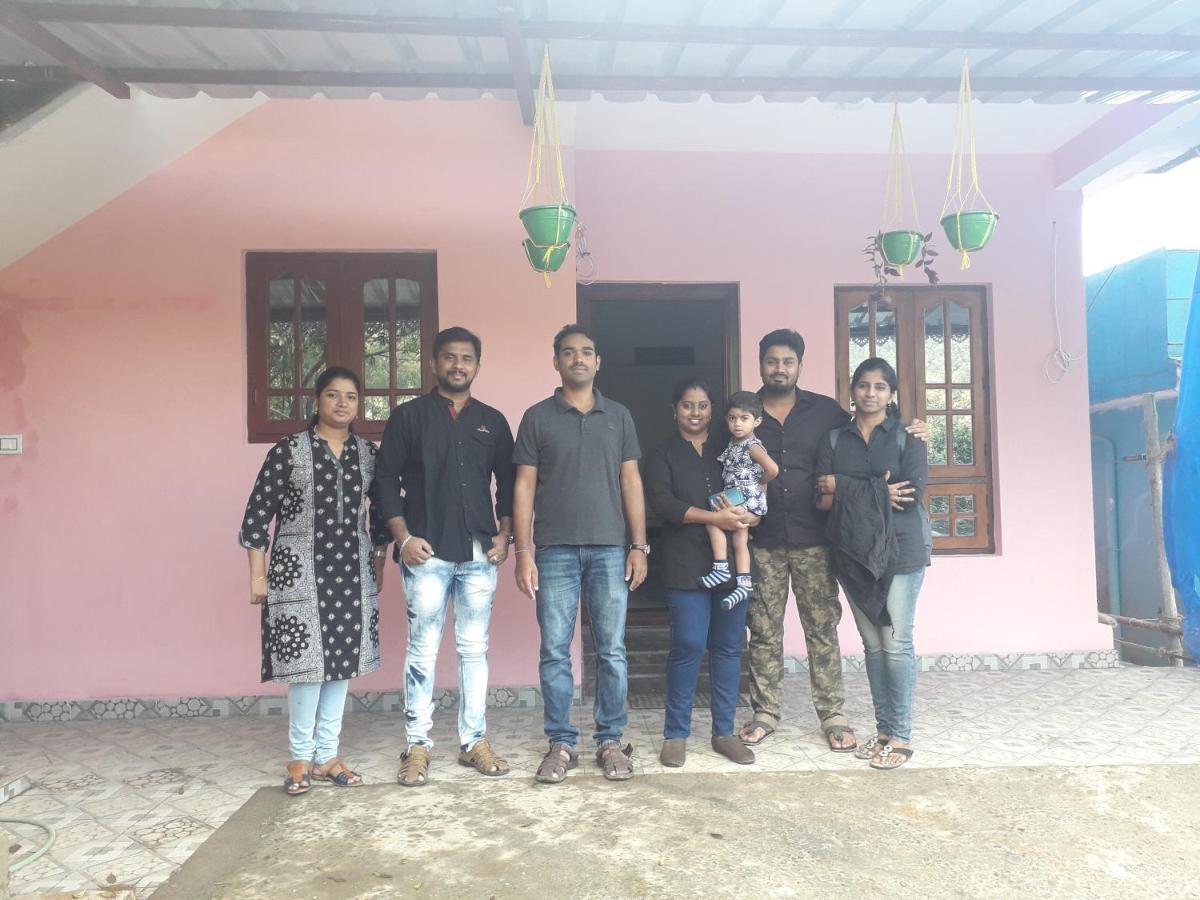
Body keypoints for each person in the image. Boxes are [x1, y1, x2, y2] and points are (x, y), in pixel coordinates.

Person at [739, 329, 924, 752]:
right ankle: (765, 712)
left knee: (822, 629)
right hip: (762, 541)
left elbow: (869, 439)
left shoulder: (826, 414)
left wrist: (916, 428)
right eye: (772, 361)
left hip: (817, 540)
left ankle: (832, 714)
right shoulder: (743, 411)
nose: (779, 368)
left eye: (787, 361)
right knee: (764, 632)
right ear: (761, 364)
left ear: (800, 365)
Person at [374, 327, 516, 787]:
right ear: (434, 364)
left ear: (478, 365)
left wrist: (506, 534)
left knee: (474, 650)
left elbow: (510, 484)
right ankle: (416, 746)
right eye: (450, 358)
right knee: (422, 650)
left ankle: (474, 741)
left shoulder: (492, 421)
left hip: (479, 551)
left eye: (467, 359)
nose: (458, 365)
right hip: (425, 552)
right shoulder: (409, 417)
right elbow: (384, 480)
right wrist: (402, 537)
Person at [238, 366, 388, 795]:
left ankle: (328, 757)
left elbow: (377, 516)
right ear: (317, 401)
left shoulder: (366, 453)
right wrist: (258, 576)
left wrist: (378, 560)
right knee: (306, 666)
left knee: (342, 663)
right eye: (333, 395)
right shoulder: (289, 451)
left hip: (349, 570)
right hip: (297, 569)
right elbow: (254, 518)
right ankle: (299, 758)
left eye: (351, 397)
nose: (342, 403)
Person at [512, 324, 648, 783]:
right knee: (554, 651)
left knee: (612, 650)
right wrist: (524, 552)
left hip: (611, 549)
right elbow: (525, 485)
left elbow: (631, 482)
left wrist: (638, 545)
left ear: (598, 361)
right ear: (556, 362)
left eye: (587, 352)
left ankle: (610, 740)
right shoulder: (537, 417)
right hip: (553, 552)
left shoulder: (620, 416)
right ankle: (562, 743)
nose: (578, 359)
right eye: (568, 353)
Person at [815, 358, 930, 770]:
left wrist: (844, 486)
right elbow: (821, 497)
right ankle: (882, 731)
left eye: (880, 387)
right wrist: (879, 490)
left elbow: (910, 496)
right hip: (852, 552)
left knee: (896, 644)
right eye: (863, 385)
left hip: (901, 550)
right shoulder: (833, 440)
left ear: (891, 394)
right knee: (874, 645)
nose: (870, 393)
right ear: (851, 390)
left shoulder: (908, 437)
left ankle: (900, 735)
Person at [644, 379, 759, 768]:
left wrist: (749, 515)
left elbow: (755, 486)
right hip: (685, 565)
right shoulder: (661, 453)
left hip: (732, 566)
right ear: (674, 409)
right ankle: (676, 734)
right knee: (689, 645)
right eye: (688, 405)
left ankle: (724, 733)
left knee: (728, 647)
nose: (696, 413)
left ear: (714, 411)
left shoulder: (731, 449)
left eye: (704, 406)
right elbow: (663, 503)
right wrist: (715, 517)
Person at [699, 391, 779, 609]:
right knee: (739, 538)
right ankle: (744, 582)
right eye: (732, 418)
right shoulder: (734, 442)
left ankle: (721, 567)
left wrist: (760, 483)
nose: (737, 424)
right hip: (742, 495)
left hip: (745, 494)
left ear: (757, 421)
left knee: (711, 518)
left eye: (744, 419)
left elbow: (772, 469)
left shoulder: (751, 445)